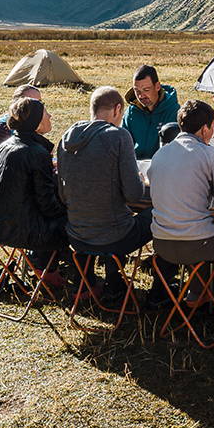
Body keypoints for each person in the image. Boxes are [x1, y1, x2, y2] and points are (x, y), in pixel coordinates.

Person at [57, 86, 162, 305]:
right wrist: (142, 181)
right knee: (160, 212)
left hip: (76, 234)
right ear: (117, 110)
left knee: (113, 214)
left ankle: (112, 281)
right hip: (113, 237)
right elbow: (134, 195)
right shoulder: (118, 136)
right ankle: (161, 283)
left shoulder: (67, 138)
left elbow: (62, 194)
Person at [148, 99, 214, 300]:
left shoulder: (159, 154)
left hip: (161, 244)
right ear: (204, 129)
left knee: (202, 224)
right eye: (212, 127)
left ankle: (197, 292)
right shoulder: (209, 153)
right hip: (198, 244)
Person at [0, 97, 70, 272]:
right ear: (37, 124)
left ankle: (48, 268)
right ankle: (80, 277)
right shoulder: (35, 152)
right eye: (46, 114)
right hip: (26, 232)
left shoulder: (4, 146)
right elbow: (47, 205)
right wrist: (70, 211)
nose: (50, 116)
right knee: (80, 223)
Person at [0, 84, 41, 209]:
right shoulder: (1, 129)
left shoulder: (29, 125)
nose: (35, 106)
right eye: (29, 101)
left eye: (39, 102)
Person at [123, 65, 180, 159]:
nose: (141, 96)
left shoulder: (174, 111)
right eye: (137, 91)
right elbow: (123, 146)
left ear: (157, 86)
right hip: (136, 167)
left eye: (146, 90)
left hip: (164, 166)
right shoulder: (131, 112)